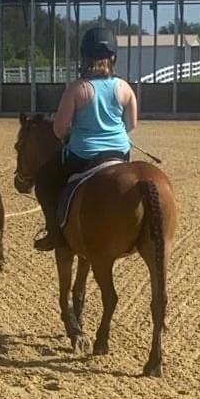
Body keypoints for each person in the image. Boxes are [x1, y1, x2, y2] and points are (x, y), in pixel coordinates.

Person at [33, 20, 138, 250]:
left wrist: (69, 134)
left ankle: (55, 232)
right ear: (113, 58)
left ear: (84, 57)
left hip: (84, 155)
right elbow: (131, 124)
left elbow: (59, 129)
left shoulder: (77, 89)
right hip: (120, 152)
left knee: (44, 182)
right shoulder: (124, 88)